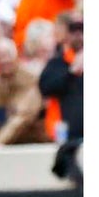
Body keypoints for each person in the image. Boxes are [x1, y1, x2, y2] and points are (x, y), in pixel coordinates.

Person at [39, 14, 84, 184]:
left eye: (82, 31)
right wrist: (71, 72)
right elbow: (45, 88)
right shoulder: (58, 63)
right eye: (74, 31)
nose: (78, 36)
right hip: (65, 136)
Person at [0, 38, 49, 144]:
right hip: (7, 142)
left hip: (35, 139)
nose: (4, 60)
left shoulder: (30, 78)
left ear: (15, 57)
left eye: (7, 55)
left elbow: (23, 116)